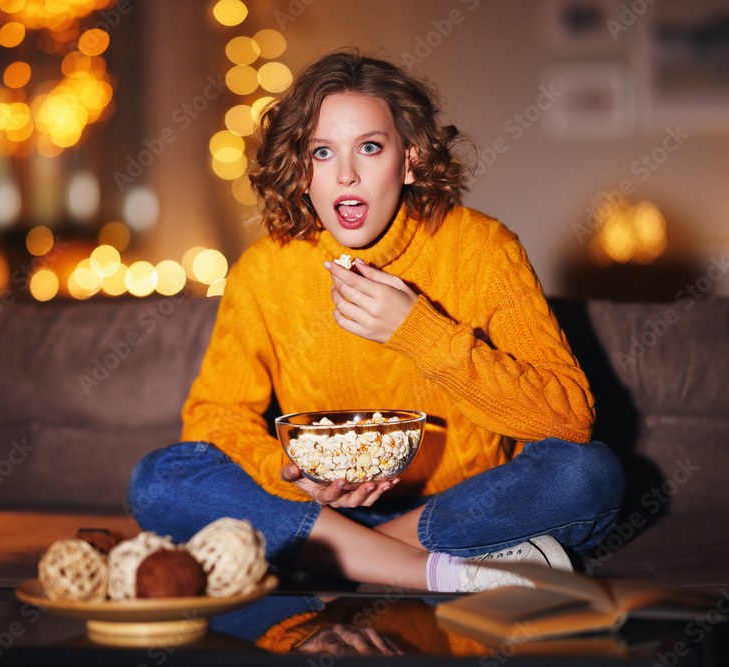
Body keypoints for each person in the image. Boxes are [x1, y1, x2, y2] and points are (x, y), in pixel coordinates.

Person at [129, 50, 624, 593]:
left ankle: (337, 559)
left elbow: (570, 418)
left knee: (588, 474)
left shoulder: (481, 249)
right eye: (321, 152)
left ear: (409, 158)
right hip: (318, 508)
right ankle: (427, 569)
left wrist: (418, 331)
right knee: (159, 479)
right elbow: (214, 416)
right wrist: (291, 476)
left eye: (369, 146)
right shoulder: (265, 270)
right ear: (300, 170)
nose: (345, 174)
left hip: (462, 505)